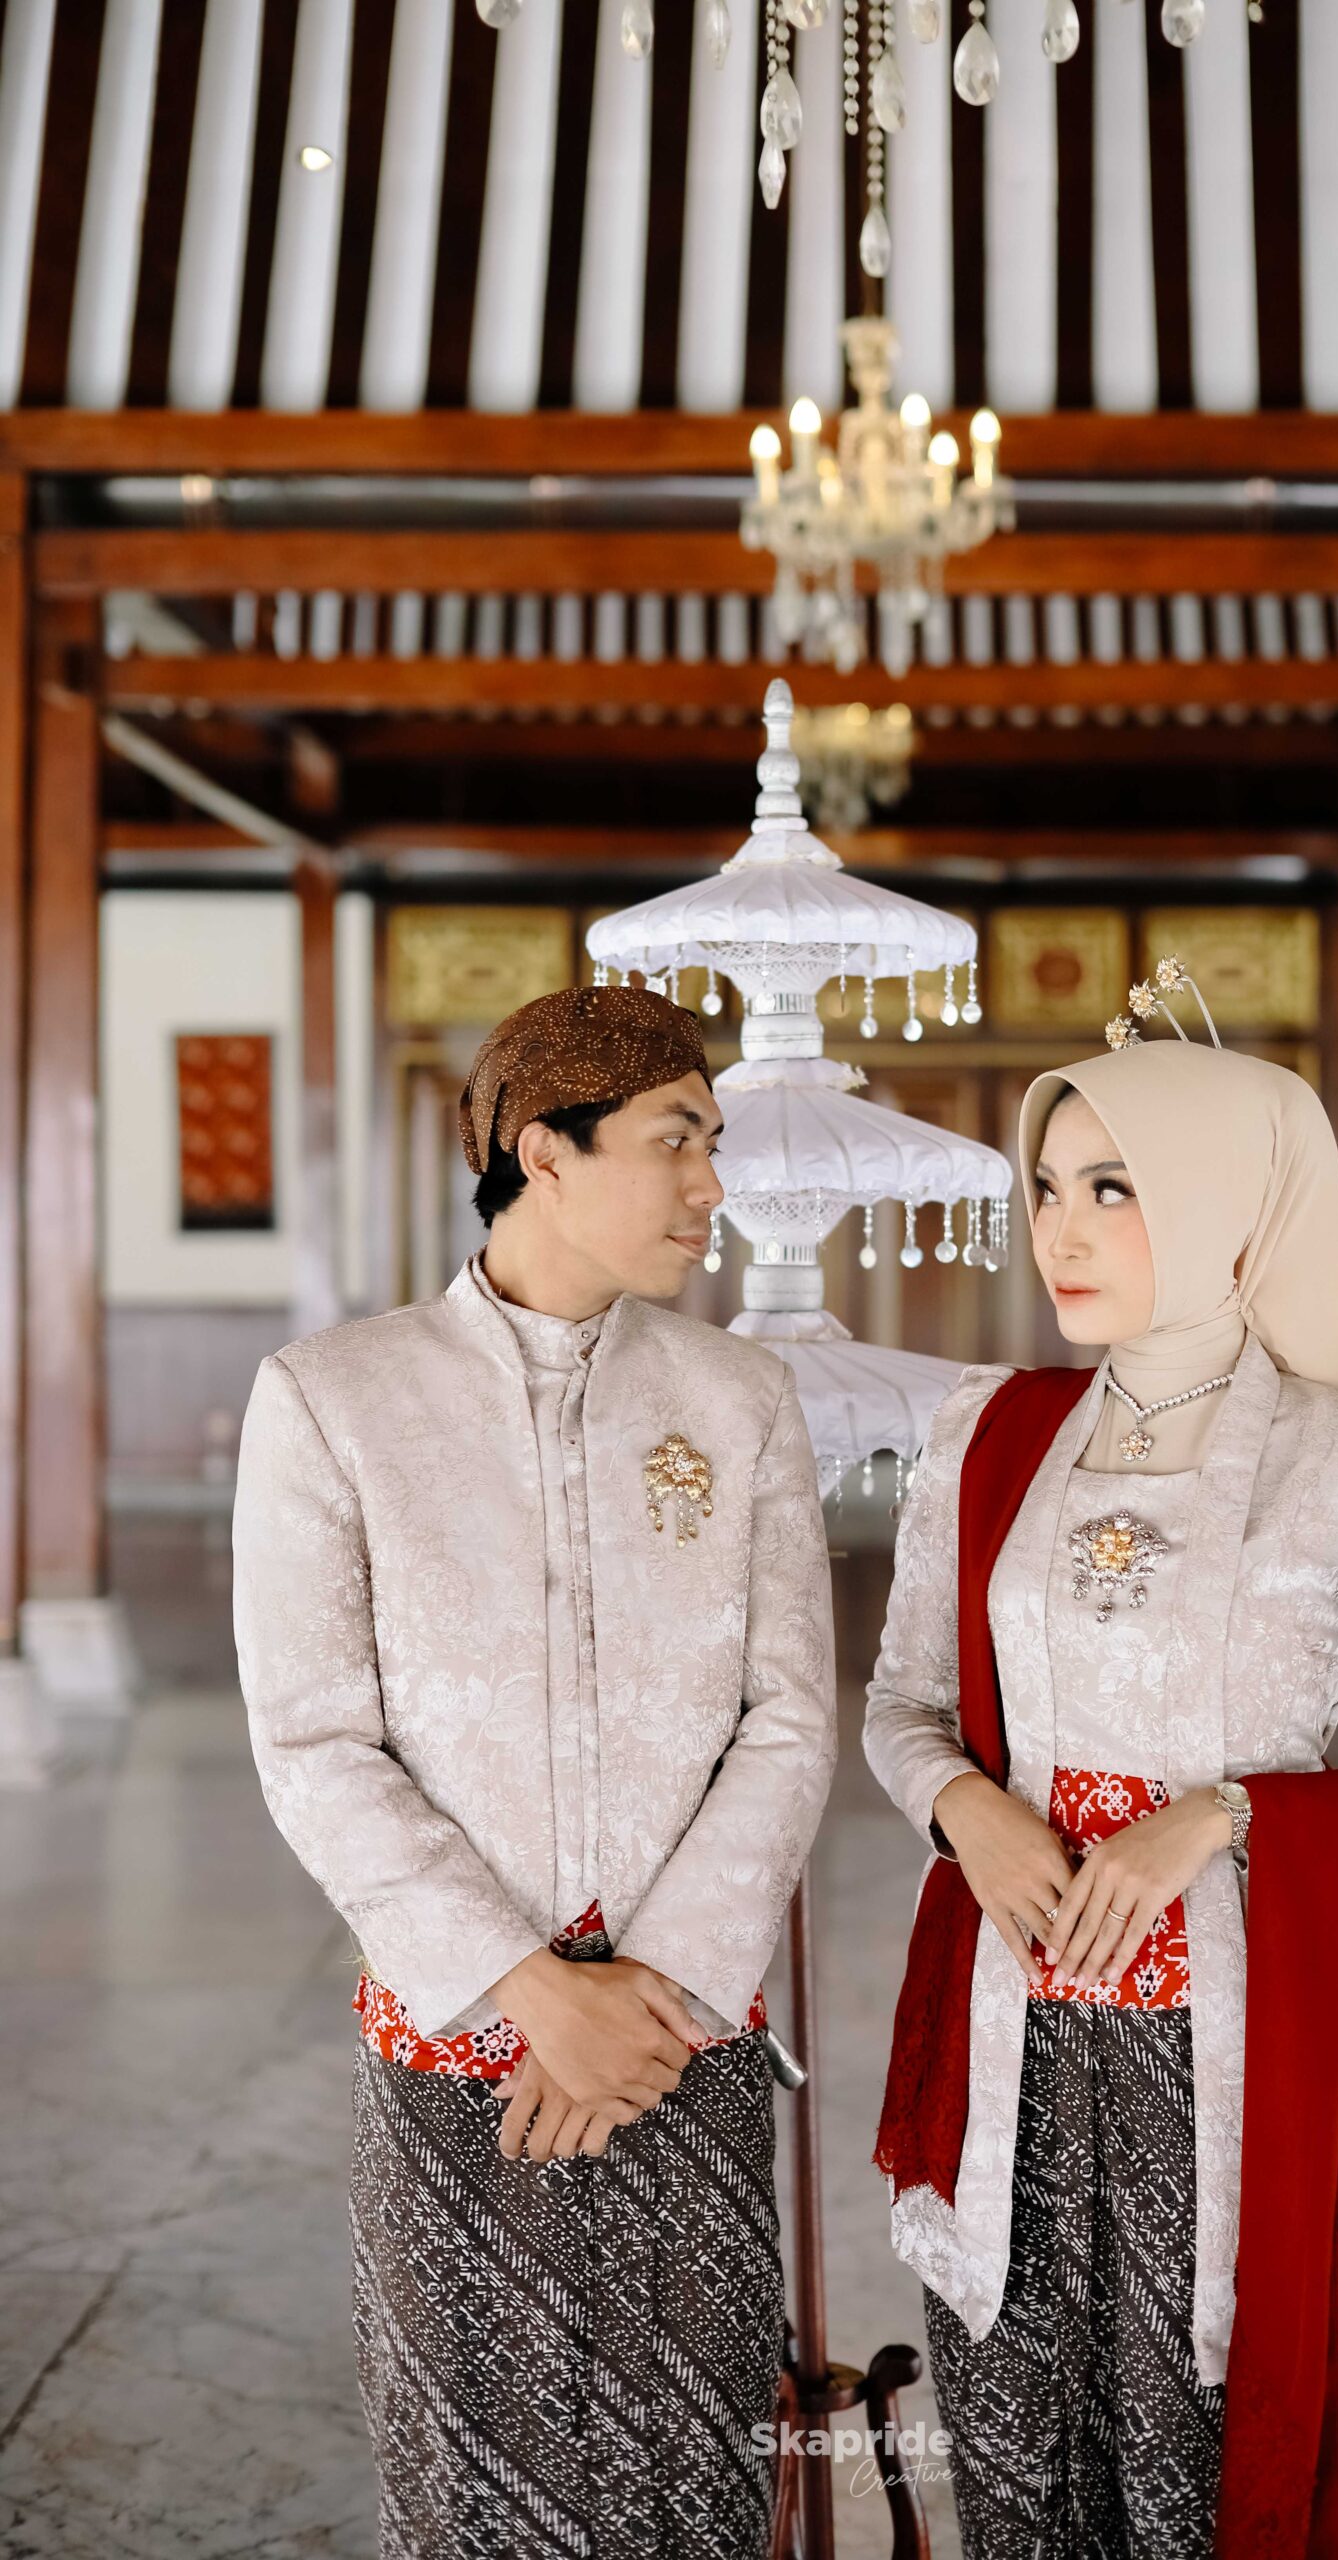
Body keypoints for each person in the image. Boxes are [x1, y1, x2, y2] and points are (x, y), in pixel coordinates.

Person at [863, 960, 1338, 2560]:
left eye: (1116, 1188)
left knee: (1187, 2460)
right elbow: (901, 1705)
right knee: (1007, 2446)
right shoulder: (988, 1433)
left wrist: (1216, 1821)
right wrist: (966, 1810)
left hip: (1215, 2054)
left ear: (1231, 1205)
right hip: (1010, 2023)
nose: (1062, 1230)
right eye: (1047, 1188)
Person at [231, 982, 837, 2560]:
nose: (713, 1183)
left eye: (714, 1141)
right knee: (473, 2487)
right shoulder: (333, 1400)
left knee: (695, 2479)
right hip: (464, 2057)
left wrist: (652, 1995)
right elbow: (313, 1740)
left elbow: (788, 1721)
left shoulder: (738, 1400)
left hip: (677, 2052)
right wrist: (528, 1989)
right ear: (544, 1150)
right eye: (677, 1139)